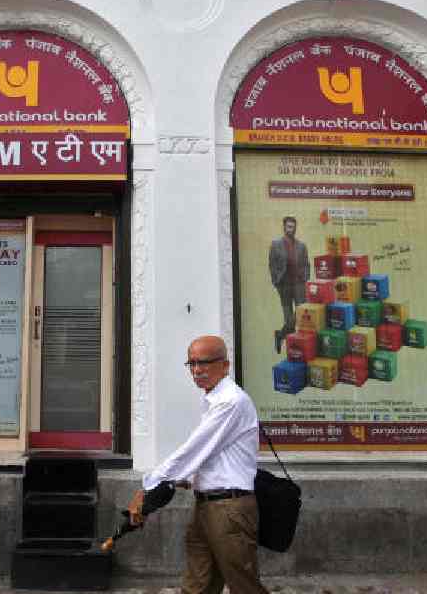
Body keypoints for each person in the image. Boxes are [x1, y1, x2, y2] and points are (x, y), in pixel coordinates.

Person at [127, 336, 268, 594]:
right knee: (197, 585)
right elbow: (214, 458)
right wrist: (186, 480)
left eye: (203, 363)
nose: (196, 370)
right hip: (207, 505)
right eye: (191, 364)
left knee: (244, 586)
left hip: (229, 509)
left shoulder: (230, 402)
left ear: (225, 365)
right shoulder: (215, 400)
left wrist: (149, 484)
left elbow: (194, 451)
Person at [268, 216, 310, 343]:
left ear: (295, 228)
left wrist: (306, 278)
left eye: (293, 227)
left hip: (298, 285)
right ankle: (292, 345)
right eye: (288, 226)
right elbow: (272, 264)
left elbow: (306, 264)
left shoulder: (302, 246)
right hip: (284, 285)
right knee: (288, 317)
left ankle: (280, 334)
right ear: (284, 227)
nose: (291, 229)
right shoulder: (275, 244)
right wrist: (276, 281)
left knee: (301, 313)